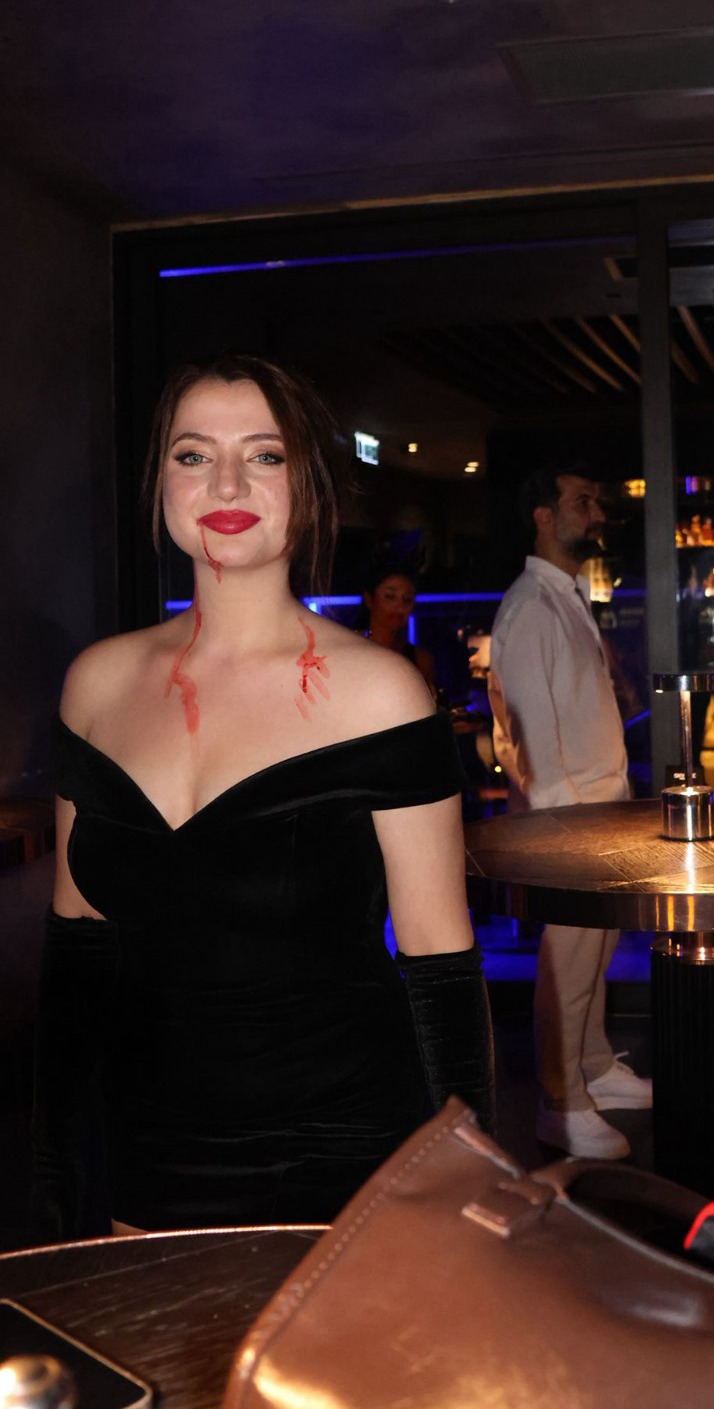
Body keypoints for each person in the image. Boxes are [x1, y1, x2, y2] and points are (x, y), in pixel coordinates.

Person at [33, 354, 493, 1238]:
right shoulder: (97, 683)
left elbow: (438, 960)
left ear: (307, 484)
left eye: (265, 455)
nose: (226, 483)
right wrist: (54, 1175)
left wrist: (470, 1184)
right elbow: (78, 945)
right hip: (146, 1141)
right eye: (194, 455)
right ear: (160, 482)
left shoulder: (380, 692)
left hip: (344, 1144)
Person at [489, 462, 651, 1160]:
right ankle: (560, 1102)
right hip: (572, 818)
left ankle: (593, 1067)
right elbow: (529, 728)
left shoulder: (563, 596)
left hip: (597, 809)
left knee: (596, 952)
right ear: (543, 516)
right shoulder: (532, 604)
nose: (597, 514)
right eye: (582, 502)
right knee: (569, 960)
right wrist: (565, 830)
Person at [362, 561, 438, 697]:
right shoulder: (352, 649)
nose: (400, 607)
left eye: (407, 599)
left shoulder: (421, 659)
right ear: (369, 599)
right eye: (390, 597)